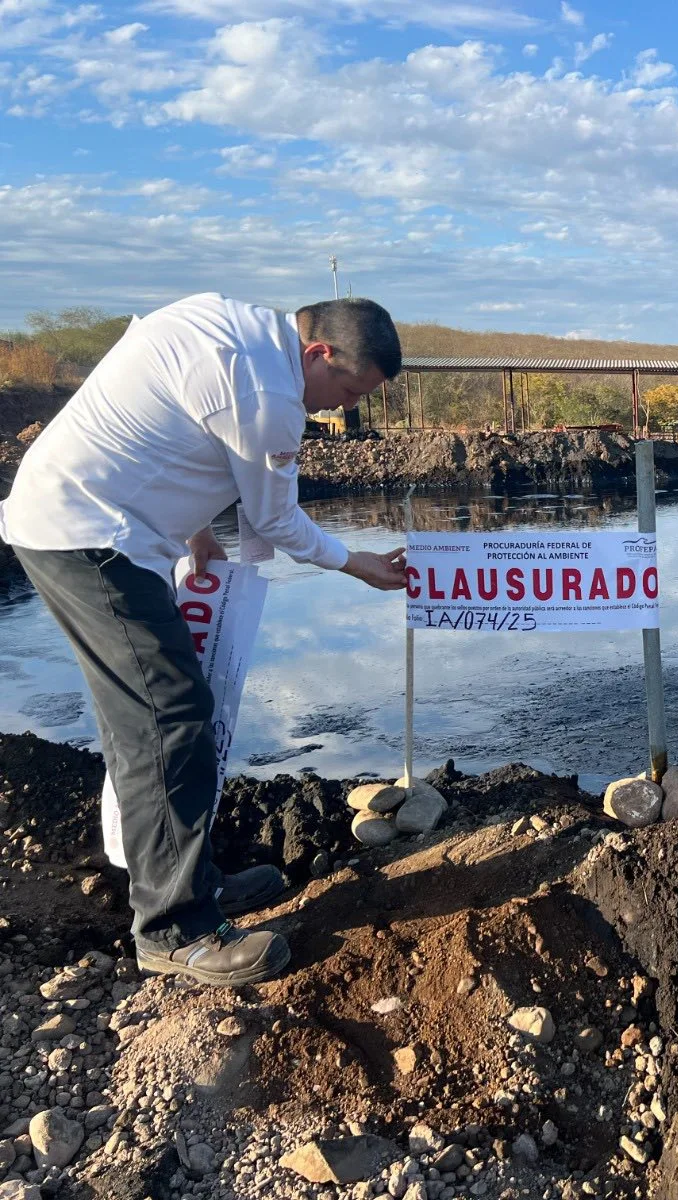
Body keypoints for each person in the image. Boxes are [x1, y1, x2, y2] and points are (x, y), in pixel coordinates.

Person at [0, 293, 409, 986]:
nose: (336, 410)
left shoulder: (223, 322)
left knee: (157, 715)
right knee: (167, 719)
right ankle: (174, 928)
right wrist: (358, 562)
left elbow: (162, 426)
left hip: (85, 519)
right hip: (89, 537)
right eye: (344, 390)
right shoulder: (272, 394)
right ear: (318, 353)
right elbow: (276, 520)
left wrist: (195, 534)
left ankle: (193, 880)